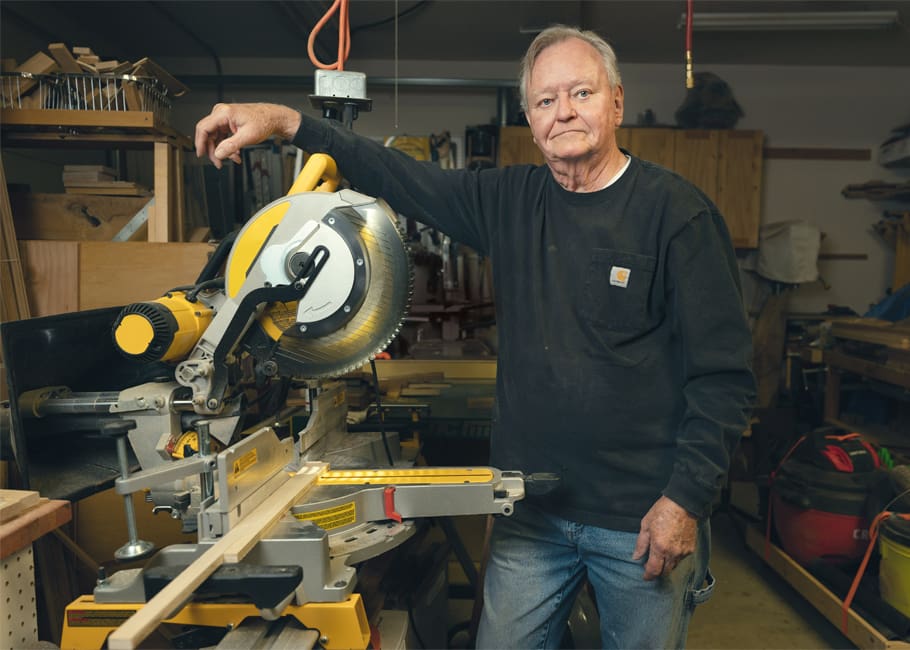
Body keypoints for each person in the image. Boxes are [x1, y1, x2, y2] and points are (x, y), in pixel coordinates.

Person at [195, 24, 755, 650]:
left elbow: (724, 378)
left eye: (581, 93)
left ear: (616, 102)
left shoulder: (678, 214)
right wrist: (288, 122)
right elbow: (400, 176)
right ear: (530, 117)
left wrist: (685, 499)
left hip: (642, 518)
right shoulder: (507, 200)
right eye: (546, 101)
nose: (563, 112)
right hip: (530, 512)